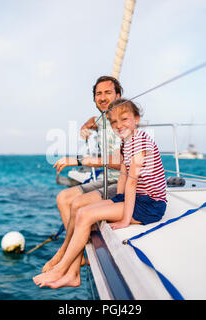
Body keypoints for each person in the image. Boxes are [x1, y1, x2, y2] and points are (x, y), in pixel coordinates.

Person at [33, 98, 167, 289]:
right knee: (81, 211)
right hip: (136, 199)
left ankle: (61, 269)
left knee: (87, 215)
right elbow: (122, 176)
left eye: (124, 119)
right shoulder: (125, 143)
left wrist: (124, 219)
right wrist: (114, 201)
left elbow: (131, 182)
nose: (119, 125)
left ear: (136, 119)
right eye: (114, 122)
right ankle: (72, 274)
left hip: (149, 205)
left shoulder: (141, 141)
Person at [41, 76, 123, 273]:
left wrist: (79, 160)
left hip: (121, 182)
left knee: (78, 204)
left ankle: (64, 253)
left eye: (108, 93)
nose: (102, 97)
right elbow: (94, 121)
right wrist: (88, 123)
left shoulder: (121, 121)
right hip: (107, 179)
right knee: (63, 198)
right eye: (98, 94)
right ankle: (77, 259)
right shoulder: (103, 119)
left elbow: (122, 161)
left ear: (118, 96)